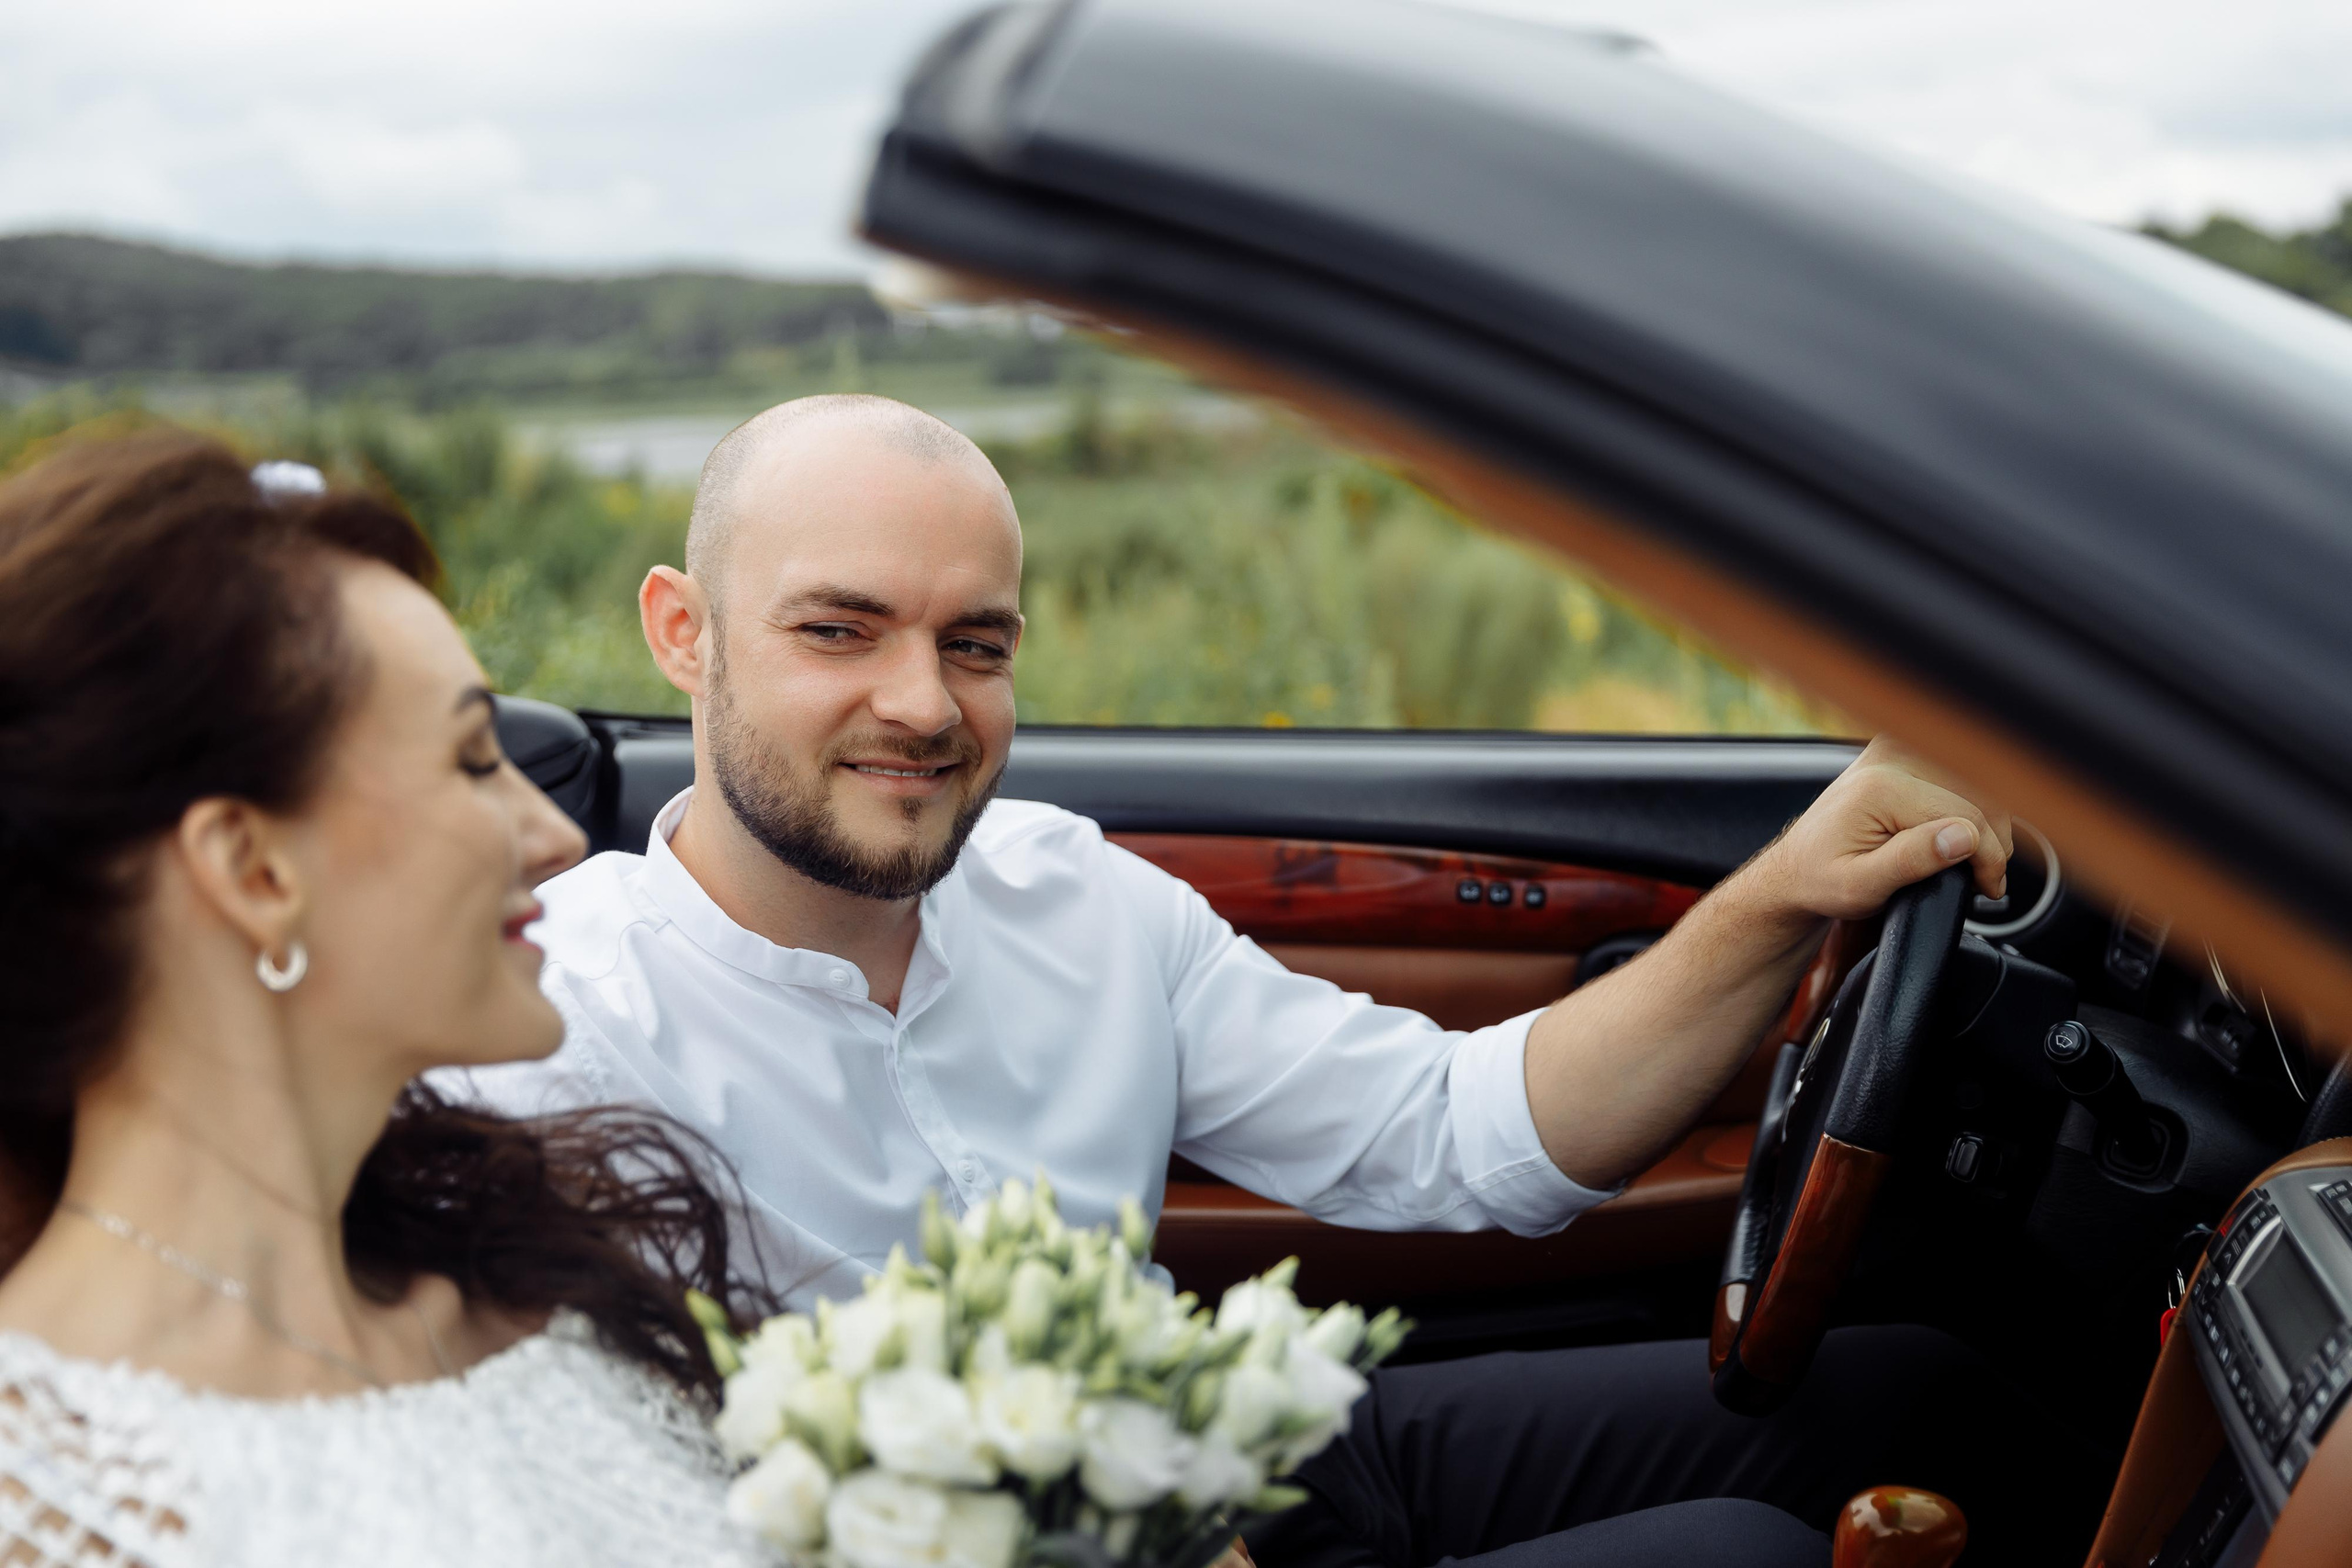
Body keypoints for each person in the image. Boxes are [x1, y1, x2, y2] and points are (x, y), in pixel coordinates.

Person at [457, 395, 2102, 1565]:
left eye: (977, 642)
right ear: (686, 634)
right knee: (1746, 1551)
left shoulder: (1077, 895)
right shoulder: (552, 1029)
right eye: (840, 630)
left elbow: (1455, 1130)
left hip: (1258, 1456)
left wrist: (1785, 898)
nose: (927, 703)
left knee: (1936, 1397)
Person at [0, 432, 785, 1566]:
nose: (555, 832)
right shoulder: (49, 1497)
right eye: (475, 759)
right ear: (254, 870)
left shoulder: (551, 1300)